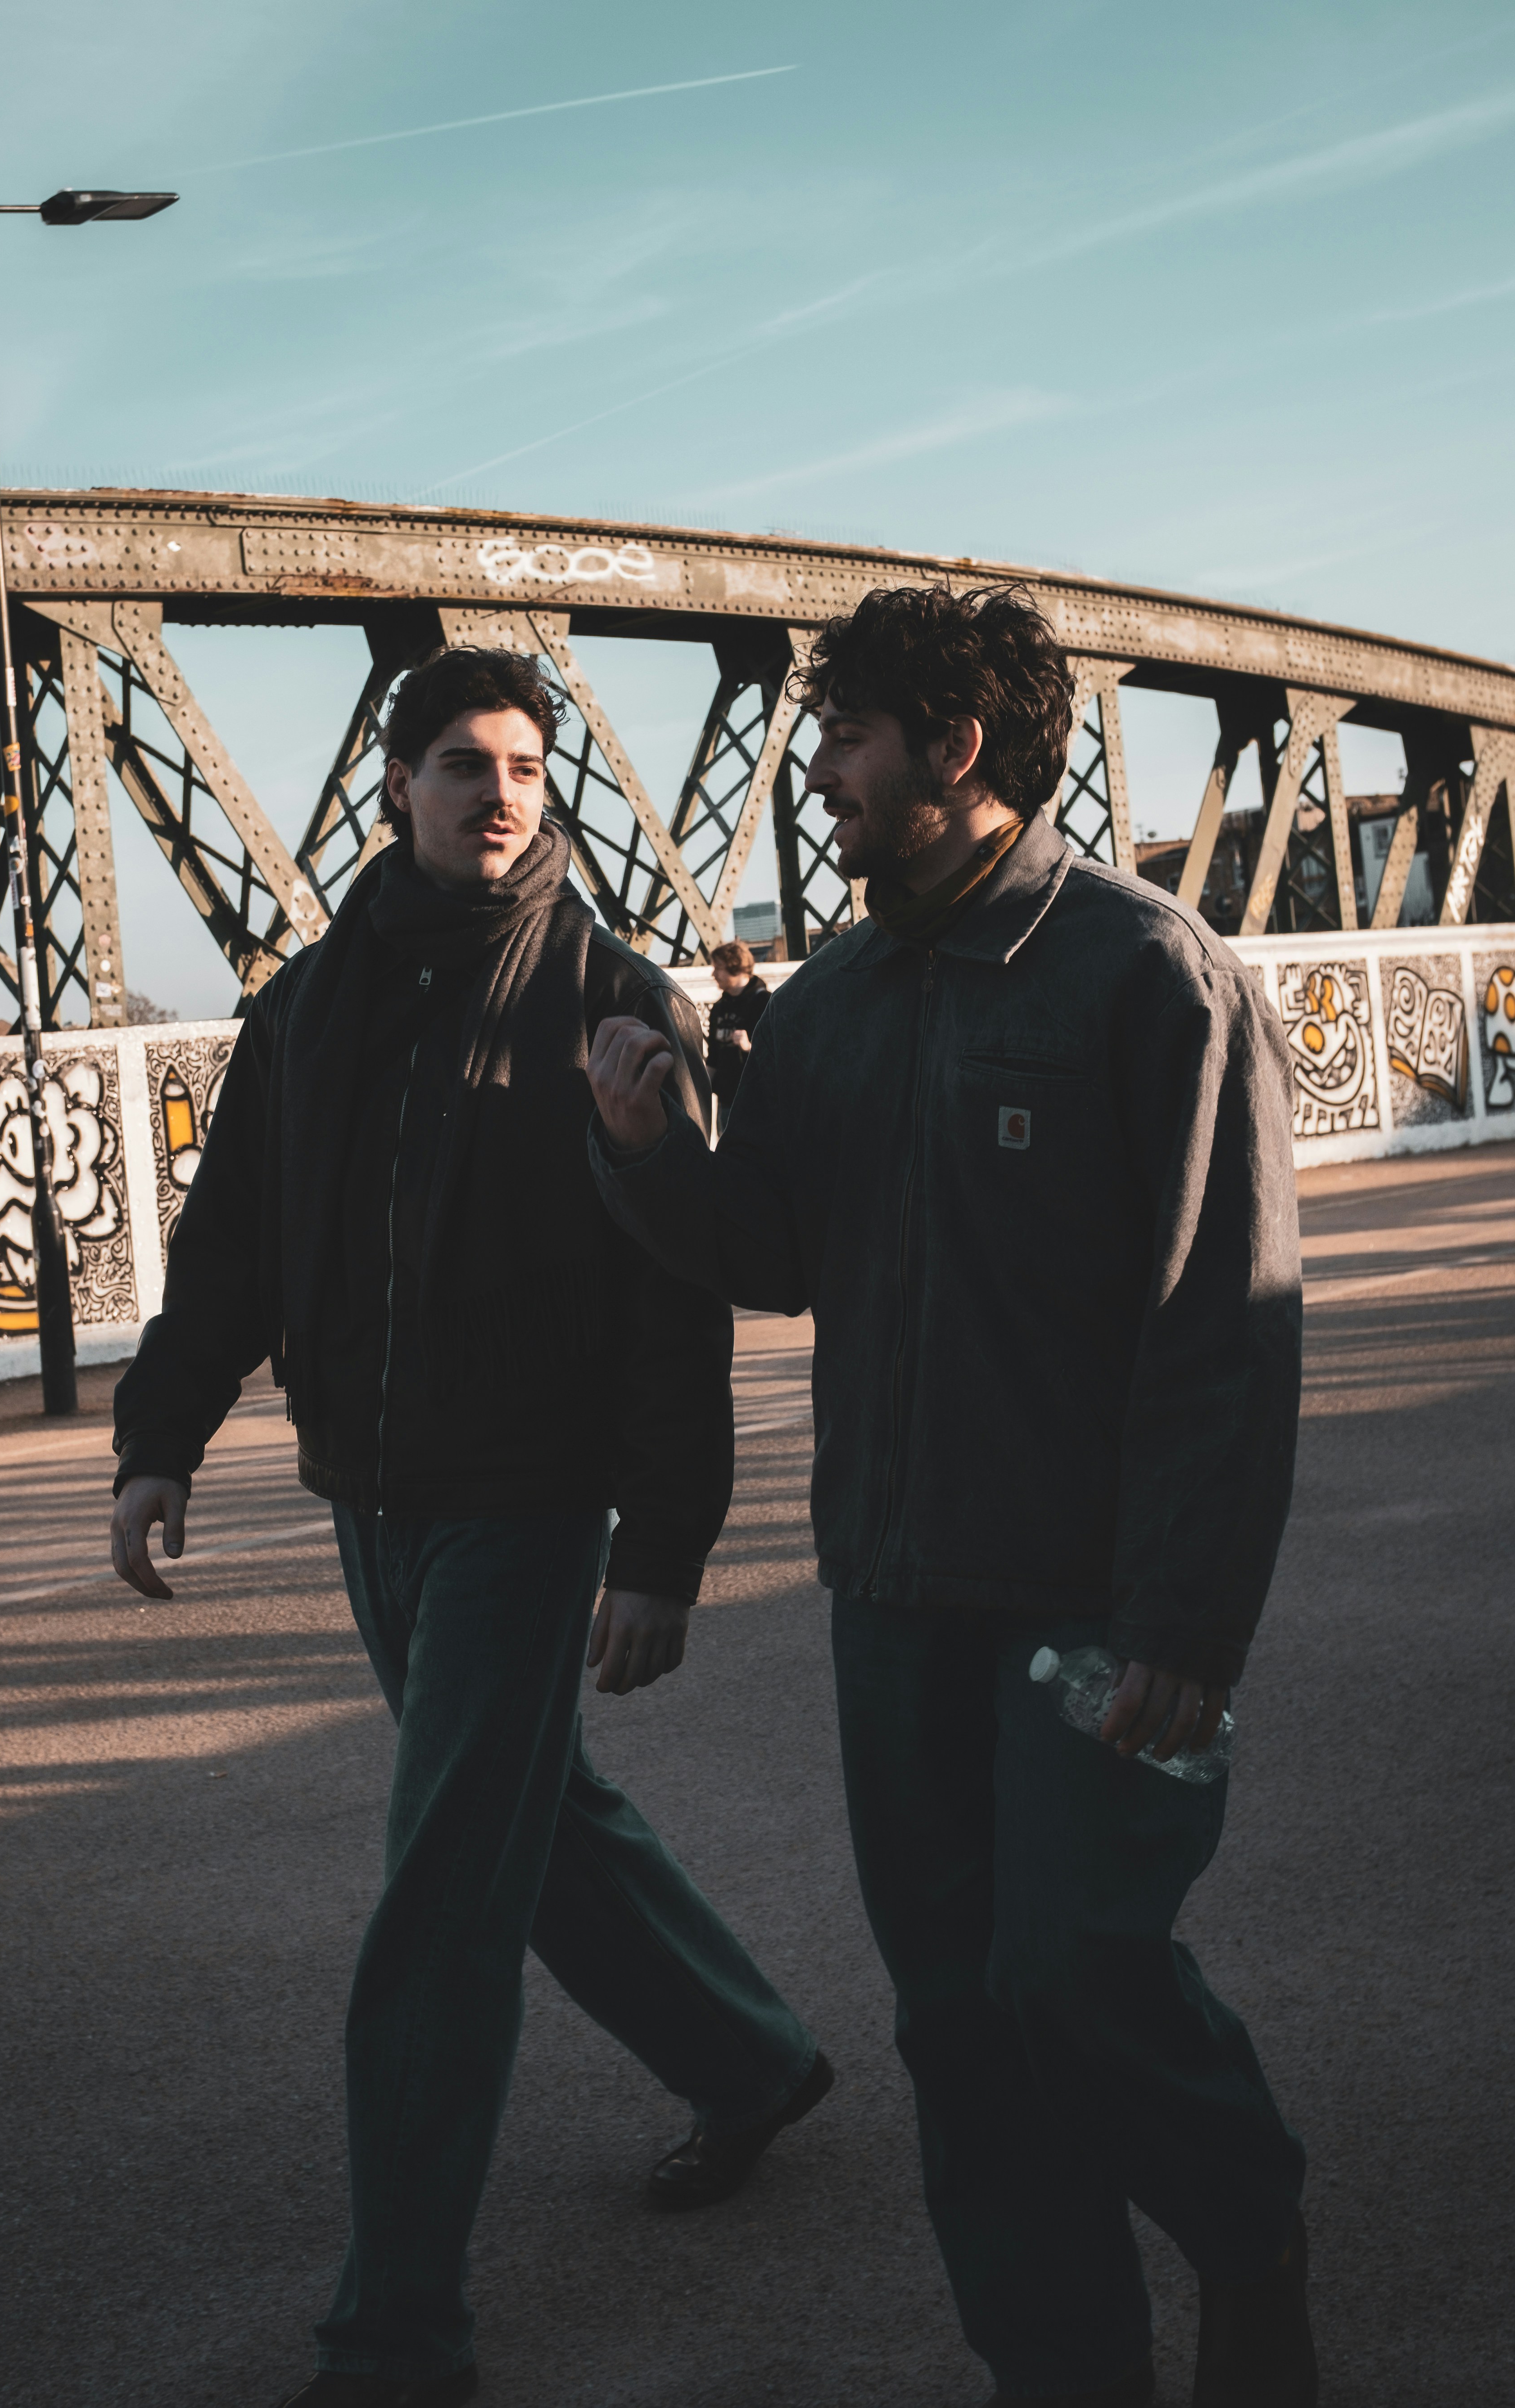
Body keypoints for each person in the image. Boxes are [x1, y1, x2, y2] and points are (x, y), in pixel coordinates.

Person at [586, 585, 1316, 2408]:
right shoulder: (831, 1001)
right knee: (959, 2020)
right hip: (896, 1600)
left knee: (1074, 1961)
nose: (813, 778)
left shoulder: (1152, 975)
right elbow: (770, 1251)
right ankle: (1062, 2367)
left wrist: (1185, 1623)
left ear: (955, 749)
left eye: (843, 740)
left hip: (1092, 1605)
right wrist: (652, 1145)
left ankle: (1248, 2233)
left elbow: (1225, 1328)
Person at [108, 646, 831, 2408]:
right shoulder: (308, 1005)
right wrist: (160, 1438)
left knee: (441, 1888)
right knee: (540, 1820)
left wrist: (661, 1542)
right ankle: (747, 2058)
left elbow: (676, 1298)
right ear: (395, 789)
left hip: (528, 1502)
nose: (499, 791)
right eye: (460, 762)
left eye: (524, 765)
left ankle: (394, 2335)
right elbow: (232, 1247)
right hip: (370, 1490)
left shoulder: (607, 992)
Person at [706, 938, 771, 1119]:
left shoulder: (765, 1003)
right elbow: (714, 1057)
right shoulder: (719, 1008)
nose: (713, 974)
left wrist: (748, 1047)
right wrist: (701, 1091)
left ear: (735, 968)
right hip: (726, 1100)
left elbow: (780, 1054)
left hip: (757, 1100)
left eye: (718, 968)